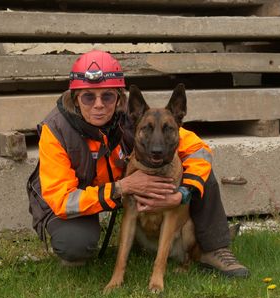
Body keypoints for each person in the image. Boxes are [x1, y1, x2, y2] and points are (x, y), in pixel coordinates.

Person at [27, 49, 249, 277]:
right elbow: (63, 199)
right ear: (75, 98)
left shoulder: (135, 119)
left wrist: (182, 193)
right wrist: (123, 187)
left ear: (119, 98)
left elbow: (198, 150)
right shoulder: (56, 130)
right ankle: (77, 254)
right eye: (88, 97)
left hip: (114, 190)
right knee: (75, 242)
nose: (99, 105)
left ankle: (215, 248)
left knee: (201, 173)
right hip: (73, 199)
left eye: (107, 96)